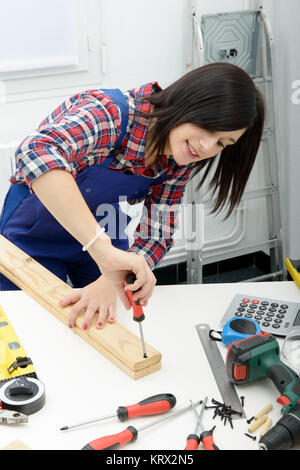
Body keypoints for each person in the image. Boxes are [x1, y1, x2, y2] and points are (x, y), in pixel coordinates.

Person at [0, 62, 265, 330]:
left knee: (106, 324)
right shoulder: (110, 113)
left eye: (221, 143)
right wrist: (100, 249)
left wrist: (113, 278)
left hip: (104, 225)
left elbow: (157, 235)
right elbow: (36, 150)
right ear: (189, 101)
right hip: (36, 230)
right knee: (33, 324)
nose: (207, 146)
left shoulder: (179, 161)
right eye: (208, 127)